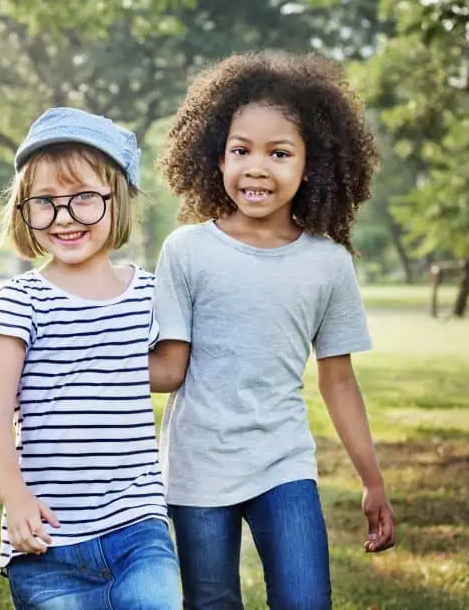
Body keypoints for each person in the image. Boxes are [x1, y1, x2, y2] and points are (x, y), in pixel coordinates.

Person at [150, 52, 399, 609]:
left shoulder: (327, 263)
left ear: (312, 166)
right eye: (240, 150)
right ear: (216, 158)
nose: (256, 167)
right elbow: (169, 367)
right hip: (197, 466)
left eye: (279, 153)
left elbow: (338, 380)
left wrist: (372, 480)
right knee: (212, 603)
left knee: (306, 599)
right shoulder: (186, 251)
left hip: (283, 462)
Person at [0, 107, 182, 609]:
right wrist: (15, 497)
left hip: (137, 523)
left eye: (84, 199)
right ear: (23, 210)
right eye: (44, 203)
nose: (64, 217)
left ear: (118, 199)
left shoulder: (152, 294)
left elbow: (169, 372)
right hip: (48, 538)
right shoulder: (22, 300)